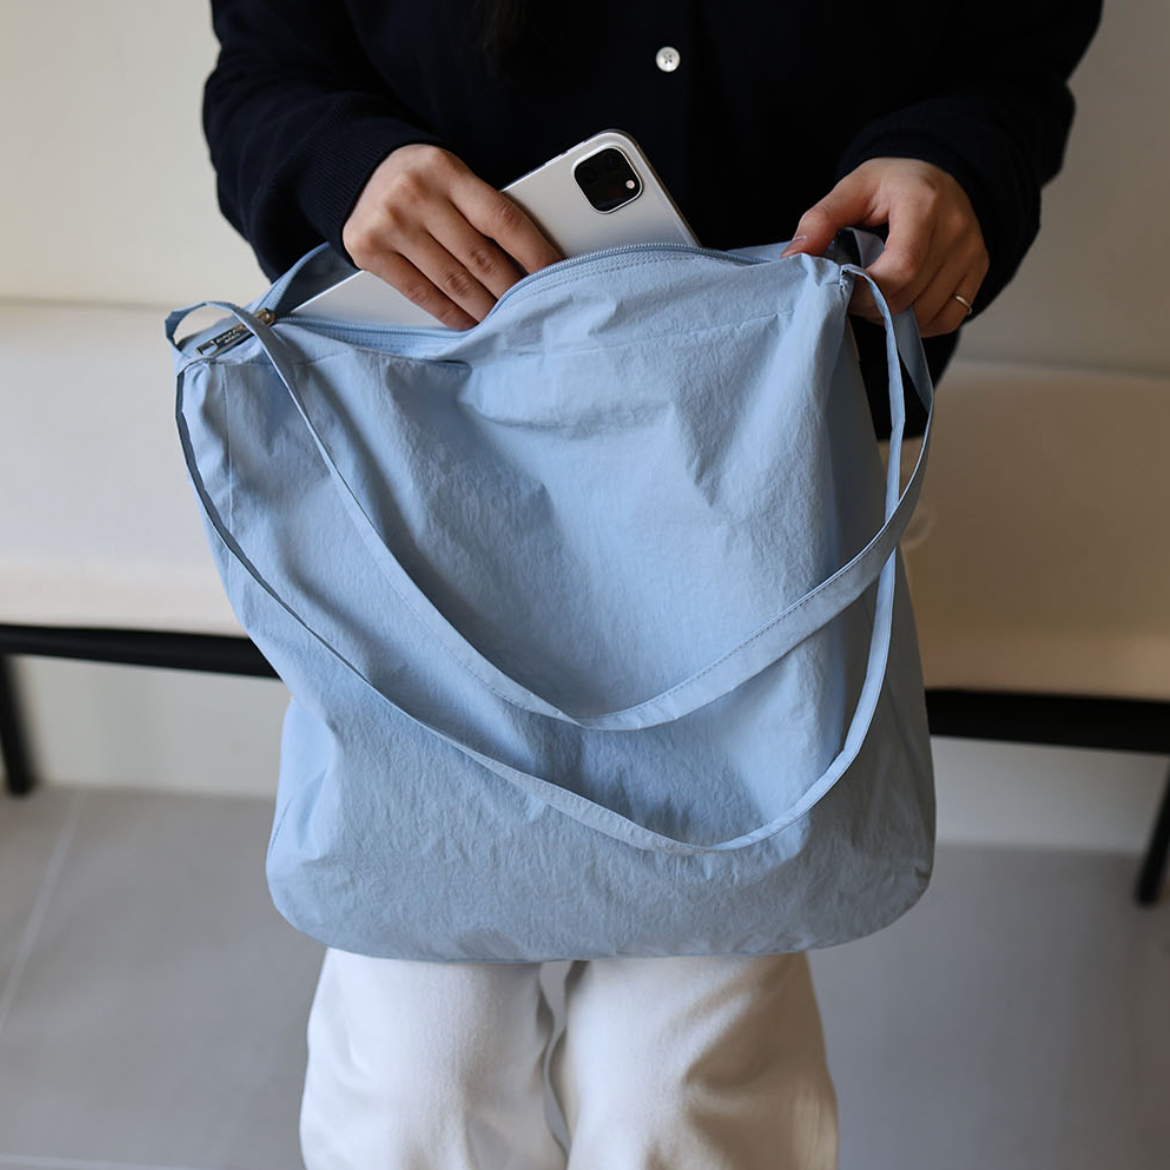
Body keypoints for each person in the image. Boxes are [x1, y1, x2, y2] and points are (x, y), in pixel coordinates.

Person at [202, 3, 1102, 1167]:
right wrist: (350, 169)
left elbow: (1015, 52)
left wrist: (957, 165)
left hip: (770, 476)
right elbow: (266, 71)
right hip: (433, 484)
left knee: (672, 1092)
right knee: (422, 1085)